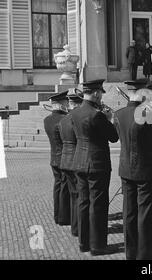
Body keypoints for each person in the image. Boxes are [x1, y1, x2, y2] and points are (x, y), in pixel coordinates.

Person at [113, 79, 152, 260]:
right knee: (145, 213)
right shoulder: (146, 114)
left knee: (129, 212)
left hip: (126, 168)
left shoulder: (118, 114)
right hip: (144, 169)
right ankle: (146, 255)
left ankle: (131, 252)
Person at [71, 79, 119, 255]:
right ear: (97, 93)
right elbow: (113, 137)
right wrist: (110, 119)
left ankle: (84, 243)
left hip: (79, 161)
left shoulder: (75, 112)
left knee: (83, 203)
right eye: (100, 94)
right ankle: (98, 245)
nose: (100, 97)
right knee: (98, 204)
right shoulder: (97, 115)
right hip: (96, 164)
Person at [57, 89, 83, 237]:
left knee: (74, 196)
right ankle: (78, 228)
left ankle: (75, 227)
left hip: (65, 160)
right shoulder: (76, 119)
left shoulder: (63, 120)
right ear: (78, 104)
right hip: (76, 160)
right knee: (80, 197)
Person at [43, 91, 69, 225]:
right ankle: (64, 217)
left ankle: (57, 215)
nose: (68, 104)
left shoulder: (47, 120)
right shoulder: (64, 119)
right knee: (65, 189)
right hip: (64, 159)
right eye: (66, 102)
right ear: (61, 104)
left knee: (57, 187)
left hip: (53, 157)